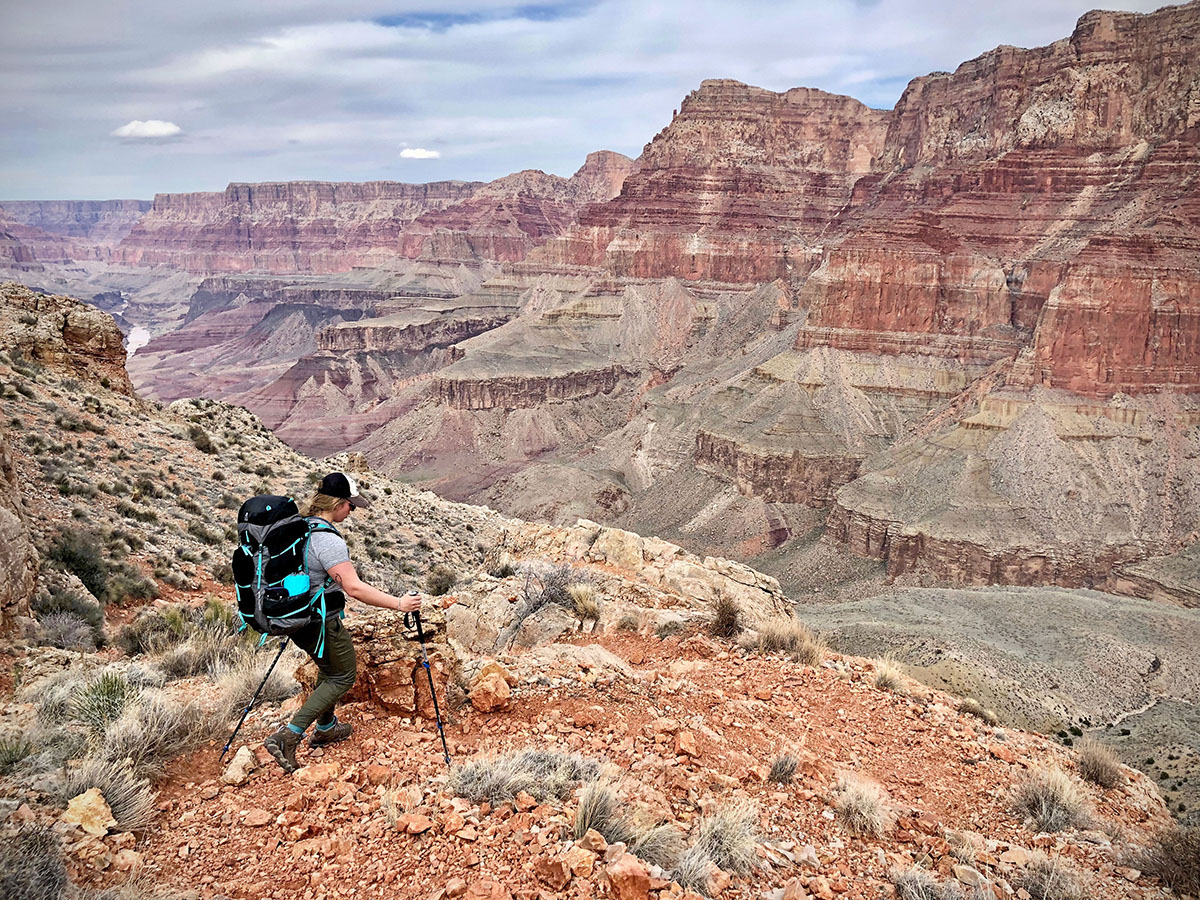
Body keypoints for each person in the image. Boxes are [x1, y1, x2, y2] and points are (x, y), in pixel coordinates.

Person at [264, 471, 422, 773]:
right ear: (337, 504)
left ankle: (326, 728)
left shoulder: (301, 528)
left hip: (295, 617)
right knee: (343, 675)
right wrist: (399, 604)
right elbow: (355, 588)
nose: (352, 511)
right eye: (350, 505)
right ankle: (289, 735)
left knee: (329, 670)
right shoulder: (327, 540)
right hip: (320, 622)